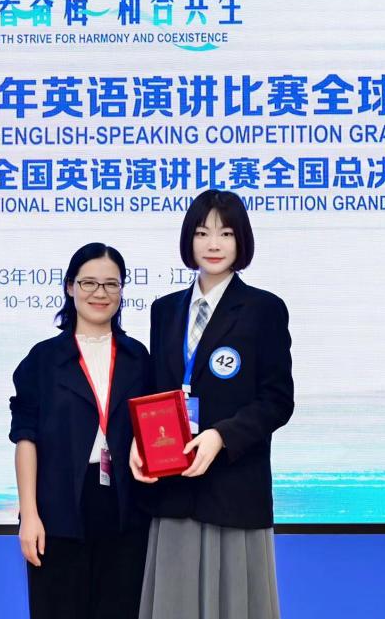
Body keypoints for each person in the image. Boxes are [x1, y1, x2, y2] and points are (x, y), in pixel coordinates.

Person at [130, 190, 294, 619]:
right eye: (202, 233)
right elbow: (157, 391)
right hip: (173, 485)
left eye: (226, 233)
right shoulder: (165, 310)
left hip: (234, 487)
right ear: (189, 240)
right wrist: (138, 441)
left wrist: (222, 436)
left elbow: (278, 400)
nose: (213, 244)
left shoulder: (264, 309)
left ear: (242, 241)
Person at [10, 242, 152, 619]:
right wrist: (29, 515)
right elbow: (26, 438)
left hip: (126, 507)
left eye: (111, 284)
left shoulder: (139, 358)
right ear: (70, 287)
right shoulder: (43, 359)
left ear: (122, 291)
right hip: (58, 509)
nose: (99, 293)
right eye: (88, 283)